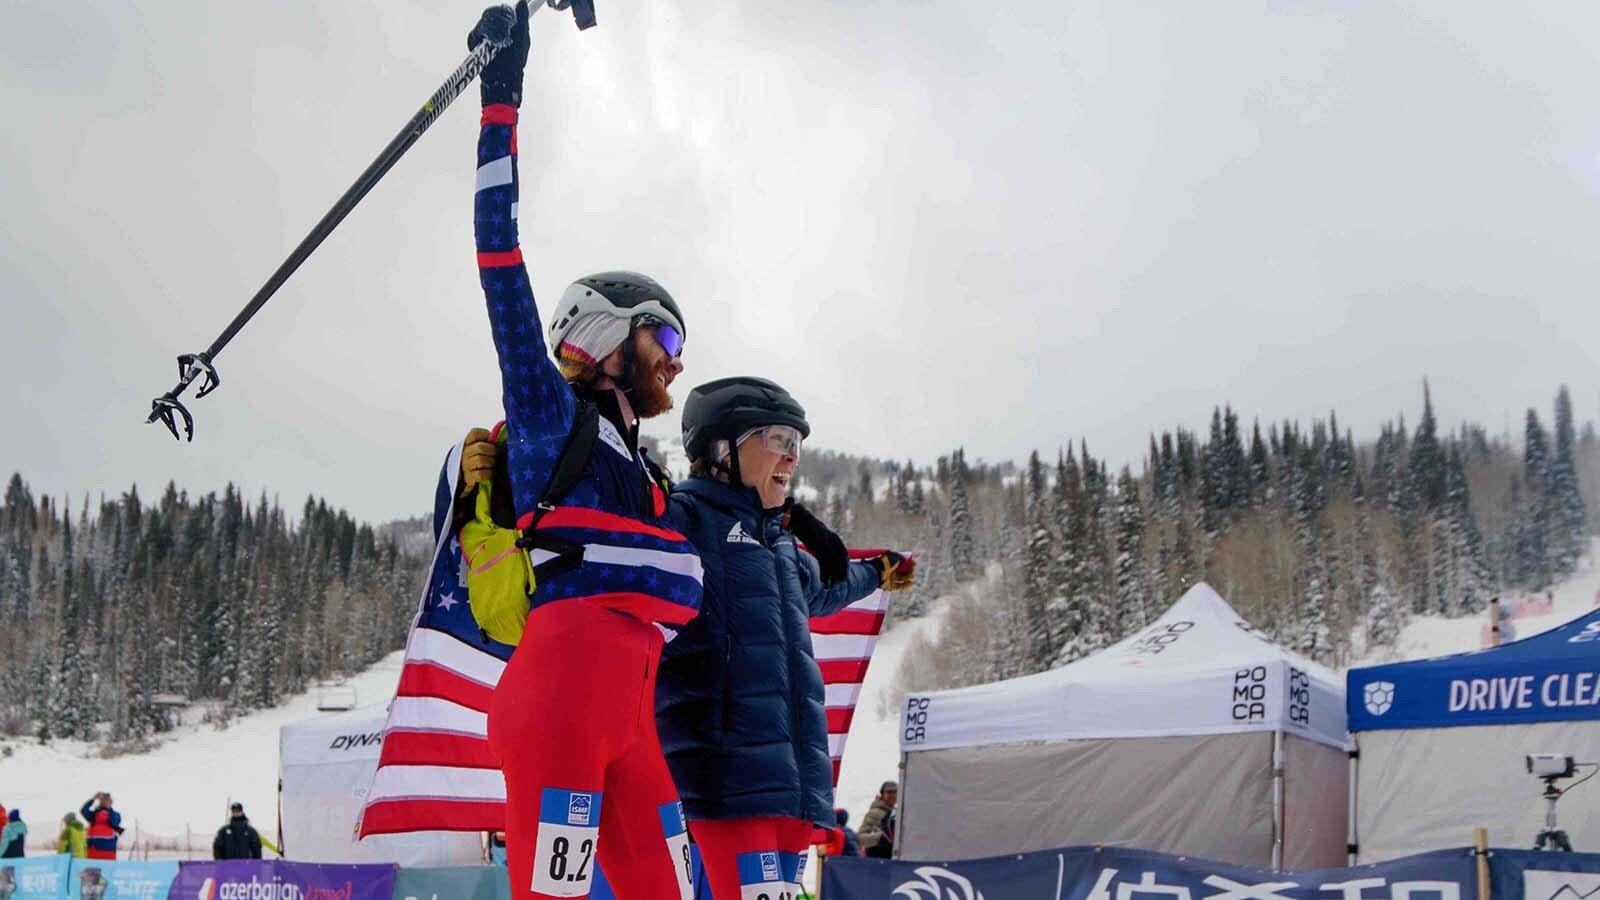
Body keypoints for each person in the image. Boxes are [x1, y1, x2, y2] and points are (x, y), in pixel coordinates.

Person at [464, 5, 703, 898]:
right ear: (603, 333)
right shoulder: (546, 412)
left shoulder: (648, 474)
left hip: (629, 710)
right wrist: (503, 96)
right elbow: (498, 253)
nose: (675, 361)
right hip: (561, 702)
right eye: (662, 337)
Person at [655, 377, 916, 900]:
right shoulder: (684, 520)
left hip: (791, 783)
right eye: (778, 439)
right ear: (722, 448)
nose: (792, 457)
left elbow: (827, 587)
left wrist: (876, 572)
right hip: (729, 779)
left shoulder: (779, 544)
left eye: (796, 444)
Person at [857, 781, 897, 859]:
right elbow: (860, 837)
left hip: (892, 857)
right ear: (882, 794)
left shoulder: (897, 813)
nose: (893, 796)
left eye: (895, 793)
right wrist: (879, 838)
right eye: (889, 792)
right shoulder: (875, 813)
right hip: (876, 858)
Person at [80, 795, 121, 860]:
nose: (104, 801)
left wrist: (109, 808)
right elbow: (83, 810)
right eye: (102, 800)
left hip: (108, 855)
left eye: (106, 800)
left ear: (111, 802)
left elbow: (114, 822)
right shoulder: (93, 815)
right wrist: (93, 798)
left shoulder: (115, 815)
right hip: (92, 854)